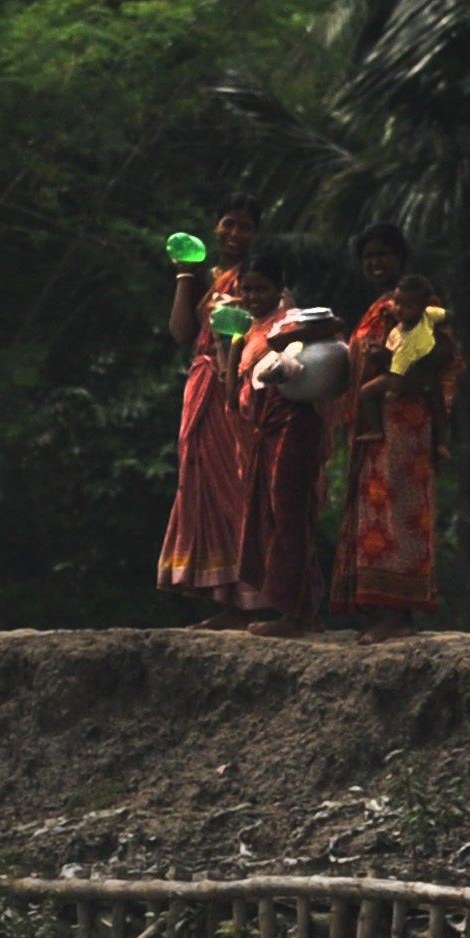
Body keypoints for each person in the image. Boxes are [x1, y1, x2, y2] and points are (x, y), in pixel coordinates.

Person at [330, 222, 457, 642]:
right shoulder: (377, 307)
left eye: (382, 254)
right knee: (376, 518)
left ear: (401, 257)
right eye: (367, 257)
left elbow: (444, 355)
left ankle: (400, 616)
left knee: (400, 516)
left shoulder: (418, 301)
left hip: (407, 421)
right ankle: (382, 610)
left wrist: (399, 368)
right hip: (376, 424)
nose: (375, 263)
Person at [156, 195, 265, 623]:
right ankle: (224, 598)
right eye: (229, 224)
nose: (235, 234)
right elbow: (182, 332)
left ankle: (249, 598)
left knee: (236, 488)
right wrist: (186, 275)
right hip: (201, 387)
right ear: (216, 227)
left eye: (245, 227)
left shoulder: (255, 279)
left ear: (256, 235)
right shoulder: (211, 278)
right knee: (203, 488)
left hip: (234, 386)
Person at [227, 256, 338, 638]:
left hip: (291, 427)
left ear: (278, 290)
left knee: (290, 516)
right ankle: (302, 609)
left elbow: (332, 326)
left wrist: (284, 338)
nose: (254, 296)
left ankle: (296, 614)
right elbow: (234, 391)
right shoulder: (248, 330)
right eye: (248, 289)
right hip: (264, 434)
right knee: (274, 518)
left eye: (262, 288)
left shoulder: (289, 321)